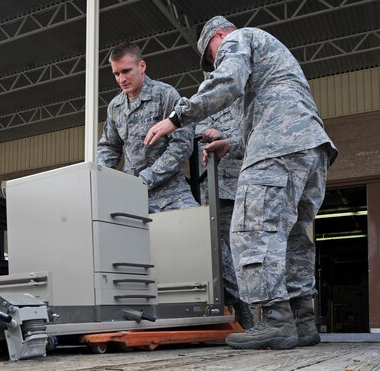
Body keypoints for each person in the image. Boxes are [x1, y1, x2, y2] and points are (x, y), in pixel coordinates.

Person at [144, 16, 338, 350]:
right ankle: (303, 321)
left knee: (252, 228)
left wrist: (177, 118)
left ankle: (276, 321)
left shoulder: (239, 39)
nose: (212, 63)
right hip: (311, 148)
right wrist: (229, 145)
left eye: (211, 55)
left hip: (278, 146)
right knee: (293, 236)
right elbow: (268, 116)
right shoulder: (275, 59)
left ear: (218, 35)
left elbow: (226, 80)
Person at [97, 42, 198, 213]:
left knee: (195, 231)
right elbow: (109, 147)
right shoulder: (115, 106)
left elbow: (182, 144)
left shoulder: (165, 94)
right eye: (116, 73)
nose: (121, 79)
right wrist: (98, 174)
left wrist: (147, 177)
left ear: (142, 66)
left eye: (126, 71)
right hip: (132, 195)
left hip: (170, 193)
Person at [195, 102, 254, 329]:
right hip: (206, 192)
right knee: (214, 255)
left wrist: (223, 135)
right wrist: (203, 133)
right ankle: (232, 306)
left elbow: (250, 137)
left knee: (236, 254)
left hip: (234, 191)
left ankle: (244, 309)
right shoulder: (199, 107)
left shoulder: (242, 104)